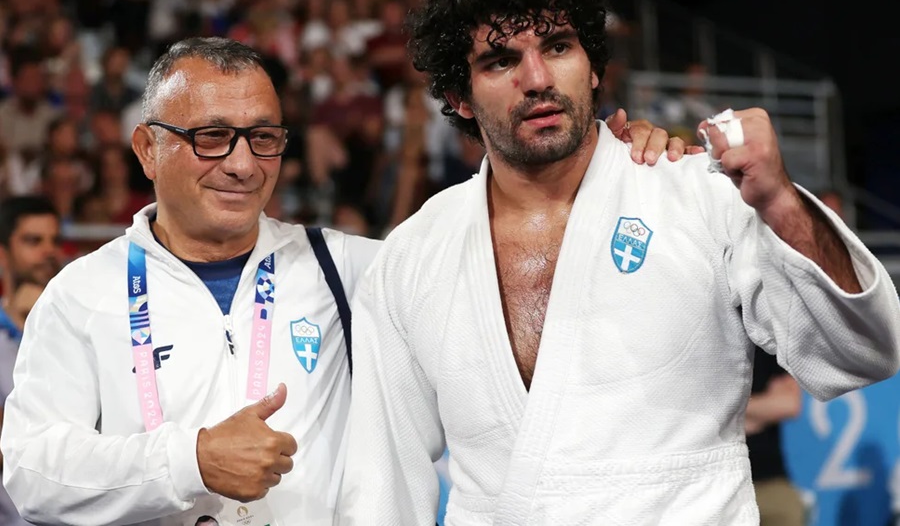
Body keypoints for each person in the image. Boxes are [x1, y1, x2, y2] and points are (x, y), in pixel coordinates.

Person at [337, 0, 900, 525]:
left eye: (558, 46)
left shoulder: (697, 195)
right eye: (500, 60)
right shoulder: (414, 254)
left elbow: (865, 352)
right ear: (460, 97)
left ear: (593, 67)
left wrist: (781, 202)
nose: (537, 78)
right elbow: (382, 485)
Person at [0, 36, 681, 526]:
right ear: (148, 148)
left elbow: (510, 253)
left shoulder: (348, 268)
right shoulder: (82, 296)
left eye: (263, 138)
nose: (242, 164)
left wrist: (608, 163)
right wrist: (190, 462)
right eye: (211, 137)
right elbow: (30, 471)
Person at [0, 195, 63, 526]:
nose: (49, 251)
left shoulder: (82, 326)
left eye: (55, 240)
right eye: (33, 241)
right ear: (2, 254)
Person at [746, 347, 805, 526]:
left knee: (788, 509)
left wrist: (730, 413)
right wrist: (760, 411)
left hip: (769, 479)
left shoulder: (763, 343)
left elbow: (789, 404)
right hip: (711, 481)